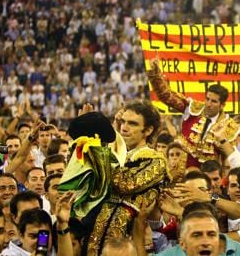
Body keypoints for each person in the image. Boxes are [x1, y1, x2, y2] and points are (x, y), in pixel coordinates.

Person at [59, 103, 173, 255]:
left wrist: (98, 143)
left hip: (124, 245)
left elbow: (125, 183)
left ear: (148, 130)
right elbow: (77, 178)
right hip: (89, 238)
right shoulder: (111, 154)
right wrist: (86, 136)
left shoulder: (155, 161)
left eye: (132, 124)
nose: (124, 128)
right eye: (123, 122)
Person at [146, 56, 239, 168]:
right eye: (207, 99)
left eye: (214, 101)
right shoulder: (193, 108)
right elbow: (167, 96)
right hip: (179, 169)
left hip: (207, 176)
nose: (208, 104)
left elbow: (229, 159)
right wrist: (156, 75)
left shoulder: (229, 126)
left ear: (222, 105)